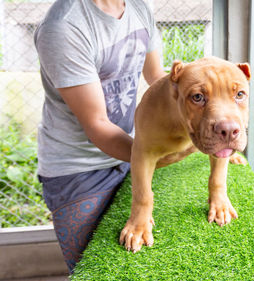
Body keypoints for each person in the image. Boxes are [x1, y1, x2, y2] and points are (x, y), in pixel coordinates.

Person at [34, 0, 166, 272]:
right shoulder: (63, 27)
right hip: (78, 171)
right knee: (98, 270)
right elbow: (97, 125)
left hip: (127, 154)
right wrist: (155, 155)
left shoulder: (139, 8)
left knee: (148, 264)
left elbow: (158, 79)